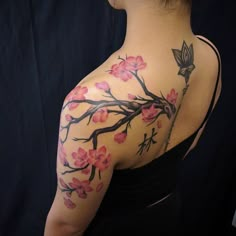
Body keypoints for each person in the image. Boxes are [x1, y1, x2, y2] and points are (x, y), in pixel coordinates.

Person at [44, 0, 222, 235]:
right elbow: (186, 147)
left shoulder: (90, 107)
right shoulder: (211, 55)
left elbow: (66, 226)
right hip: (165, 216)